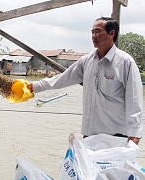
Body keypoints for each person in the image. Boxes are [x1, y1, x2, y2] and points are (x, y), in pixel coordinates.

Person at [27, 17, 143, 145]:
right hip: (90, 134)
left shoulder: (125, 62)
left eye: (98, 31)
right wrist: (34, 86)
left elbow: (134, 99)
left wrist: (134, 133)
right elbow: (63, 79)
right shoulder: (87, 61)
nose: (94, 36)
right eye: (92, 32)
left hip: (117, 136)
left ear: (111, 33)